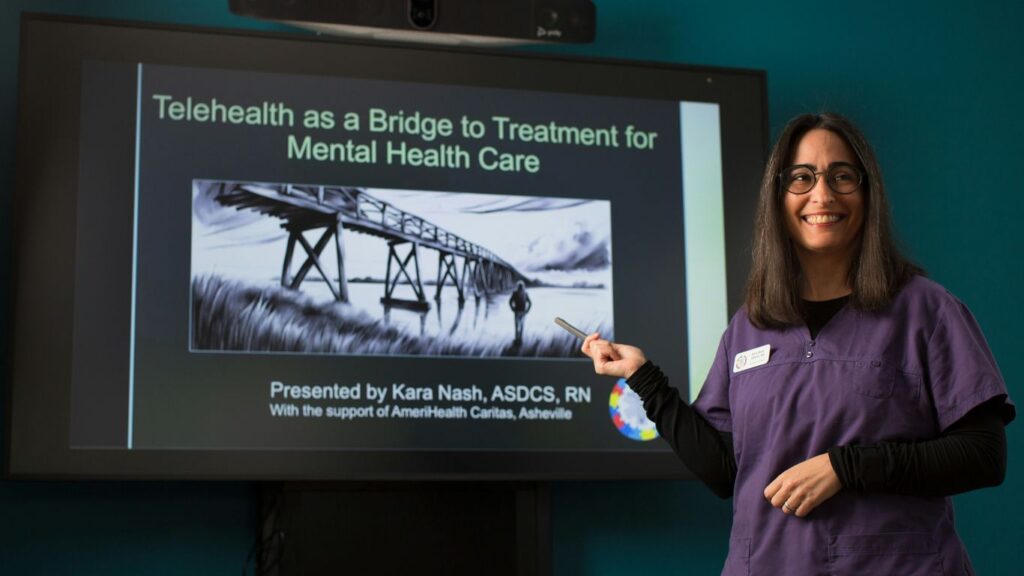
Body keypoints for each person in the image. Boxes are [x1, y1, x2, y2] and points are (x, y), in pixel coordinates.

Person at [582, 113, 1014, 575]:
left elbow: (984, 456)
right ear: (778, 196)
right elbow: (725, 470)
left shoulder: (926, 309)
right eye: (802, 178)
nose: (822, 195)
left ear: (868, 193)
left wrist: (847, 467)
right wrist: (644, 379)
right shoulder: (749, 325)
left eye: (842, 176)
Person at [509, 280, 532, 345]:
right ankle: (518, 339)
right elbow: (510, 302)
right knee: (519, 326)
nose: (521, 287)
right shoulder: (522, 293)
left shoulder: (521, 293)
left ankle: (518, 339)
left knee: (519, 326)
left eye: (521, 286)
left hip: (520, 312)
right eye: (520, 286)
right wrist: (527, 310)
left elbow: (530, 303)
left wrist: (512, 308)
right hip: (520, 312)